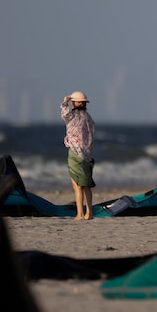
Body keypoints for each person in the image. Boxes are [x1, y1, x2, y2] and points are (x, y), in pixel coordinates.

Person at [61, 90, 96, 220]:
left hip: (75, 152)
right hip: (87, 154)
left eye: (73, 101)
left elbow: (64, 115)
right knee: (86, 184)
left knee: (77, 185)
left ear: (76, 103)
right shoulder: (89, 118)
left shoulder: (73, 116)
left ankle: (80, 214)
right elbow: (92, 134)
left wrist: (65, 101)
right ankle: (89, 213)